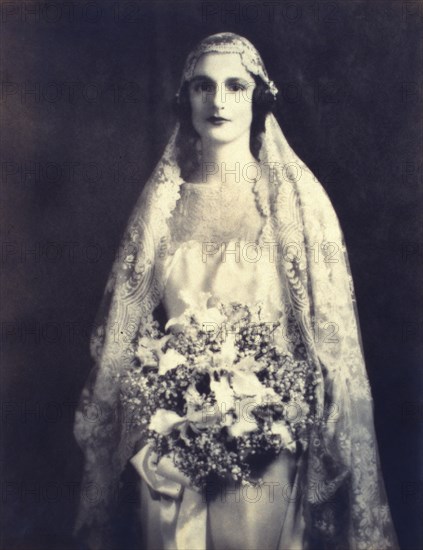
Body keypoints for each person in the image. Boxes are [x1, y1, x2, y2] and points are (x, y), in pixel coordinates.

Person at [73, 33, 399, 550]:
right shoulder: (162, 206)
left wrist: (273, 408)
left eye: (235, 86)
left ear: (259, 98)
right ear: (187, 98)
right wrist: (163, 407)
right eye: (204, 86)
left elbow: (327, 343)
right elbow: (129, 335)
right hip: (171, 444)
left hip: (268, 439)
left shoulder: (296, 203)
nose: (218, 101)